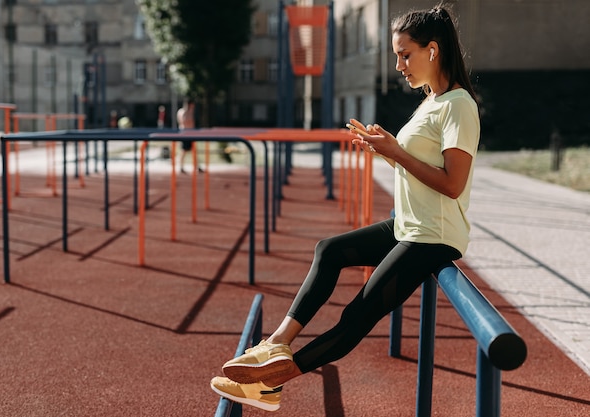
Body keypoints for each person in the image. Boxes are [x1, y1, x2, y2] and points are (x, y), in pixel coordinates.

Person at [210, 3, 481, 412]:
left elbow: (453, 183)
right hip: (407, 224)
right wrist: (386, 150)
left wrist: (397, 153)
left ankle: (273, 381)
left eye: (405, 55)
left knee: (359, 313)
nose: (400, 66)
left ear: (433, 49)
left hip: (432, 236)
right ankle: (276, 345)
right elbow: (423, 166)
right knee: (329, 250)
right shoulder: (431, 101)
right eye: (397, 57)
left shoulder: (459, 105)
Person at [176, 99, 202, 173]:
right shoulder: (183, 112)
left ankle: (197, 166)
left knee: (194, 150)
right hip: (185, 133)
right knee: (183, 151)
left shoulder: (191, 112)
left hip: (191, 133)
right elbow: (184, 122)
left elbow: (192, 123)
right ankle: (180, 166)